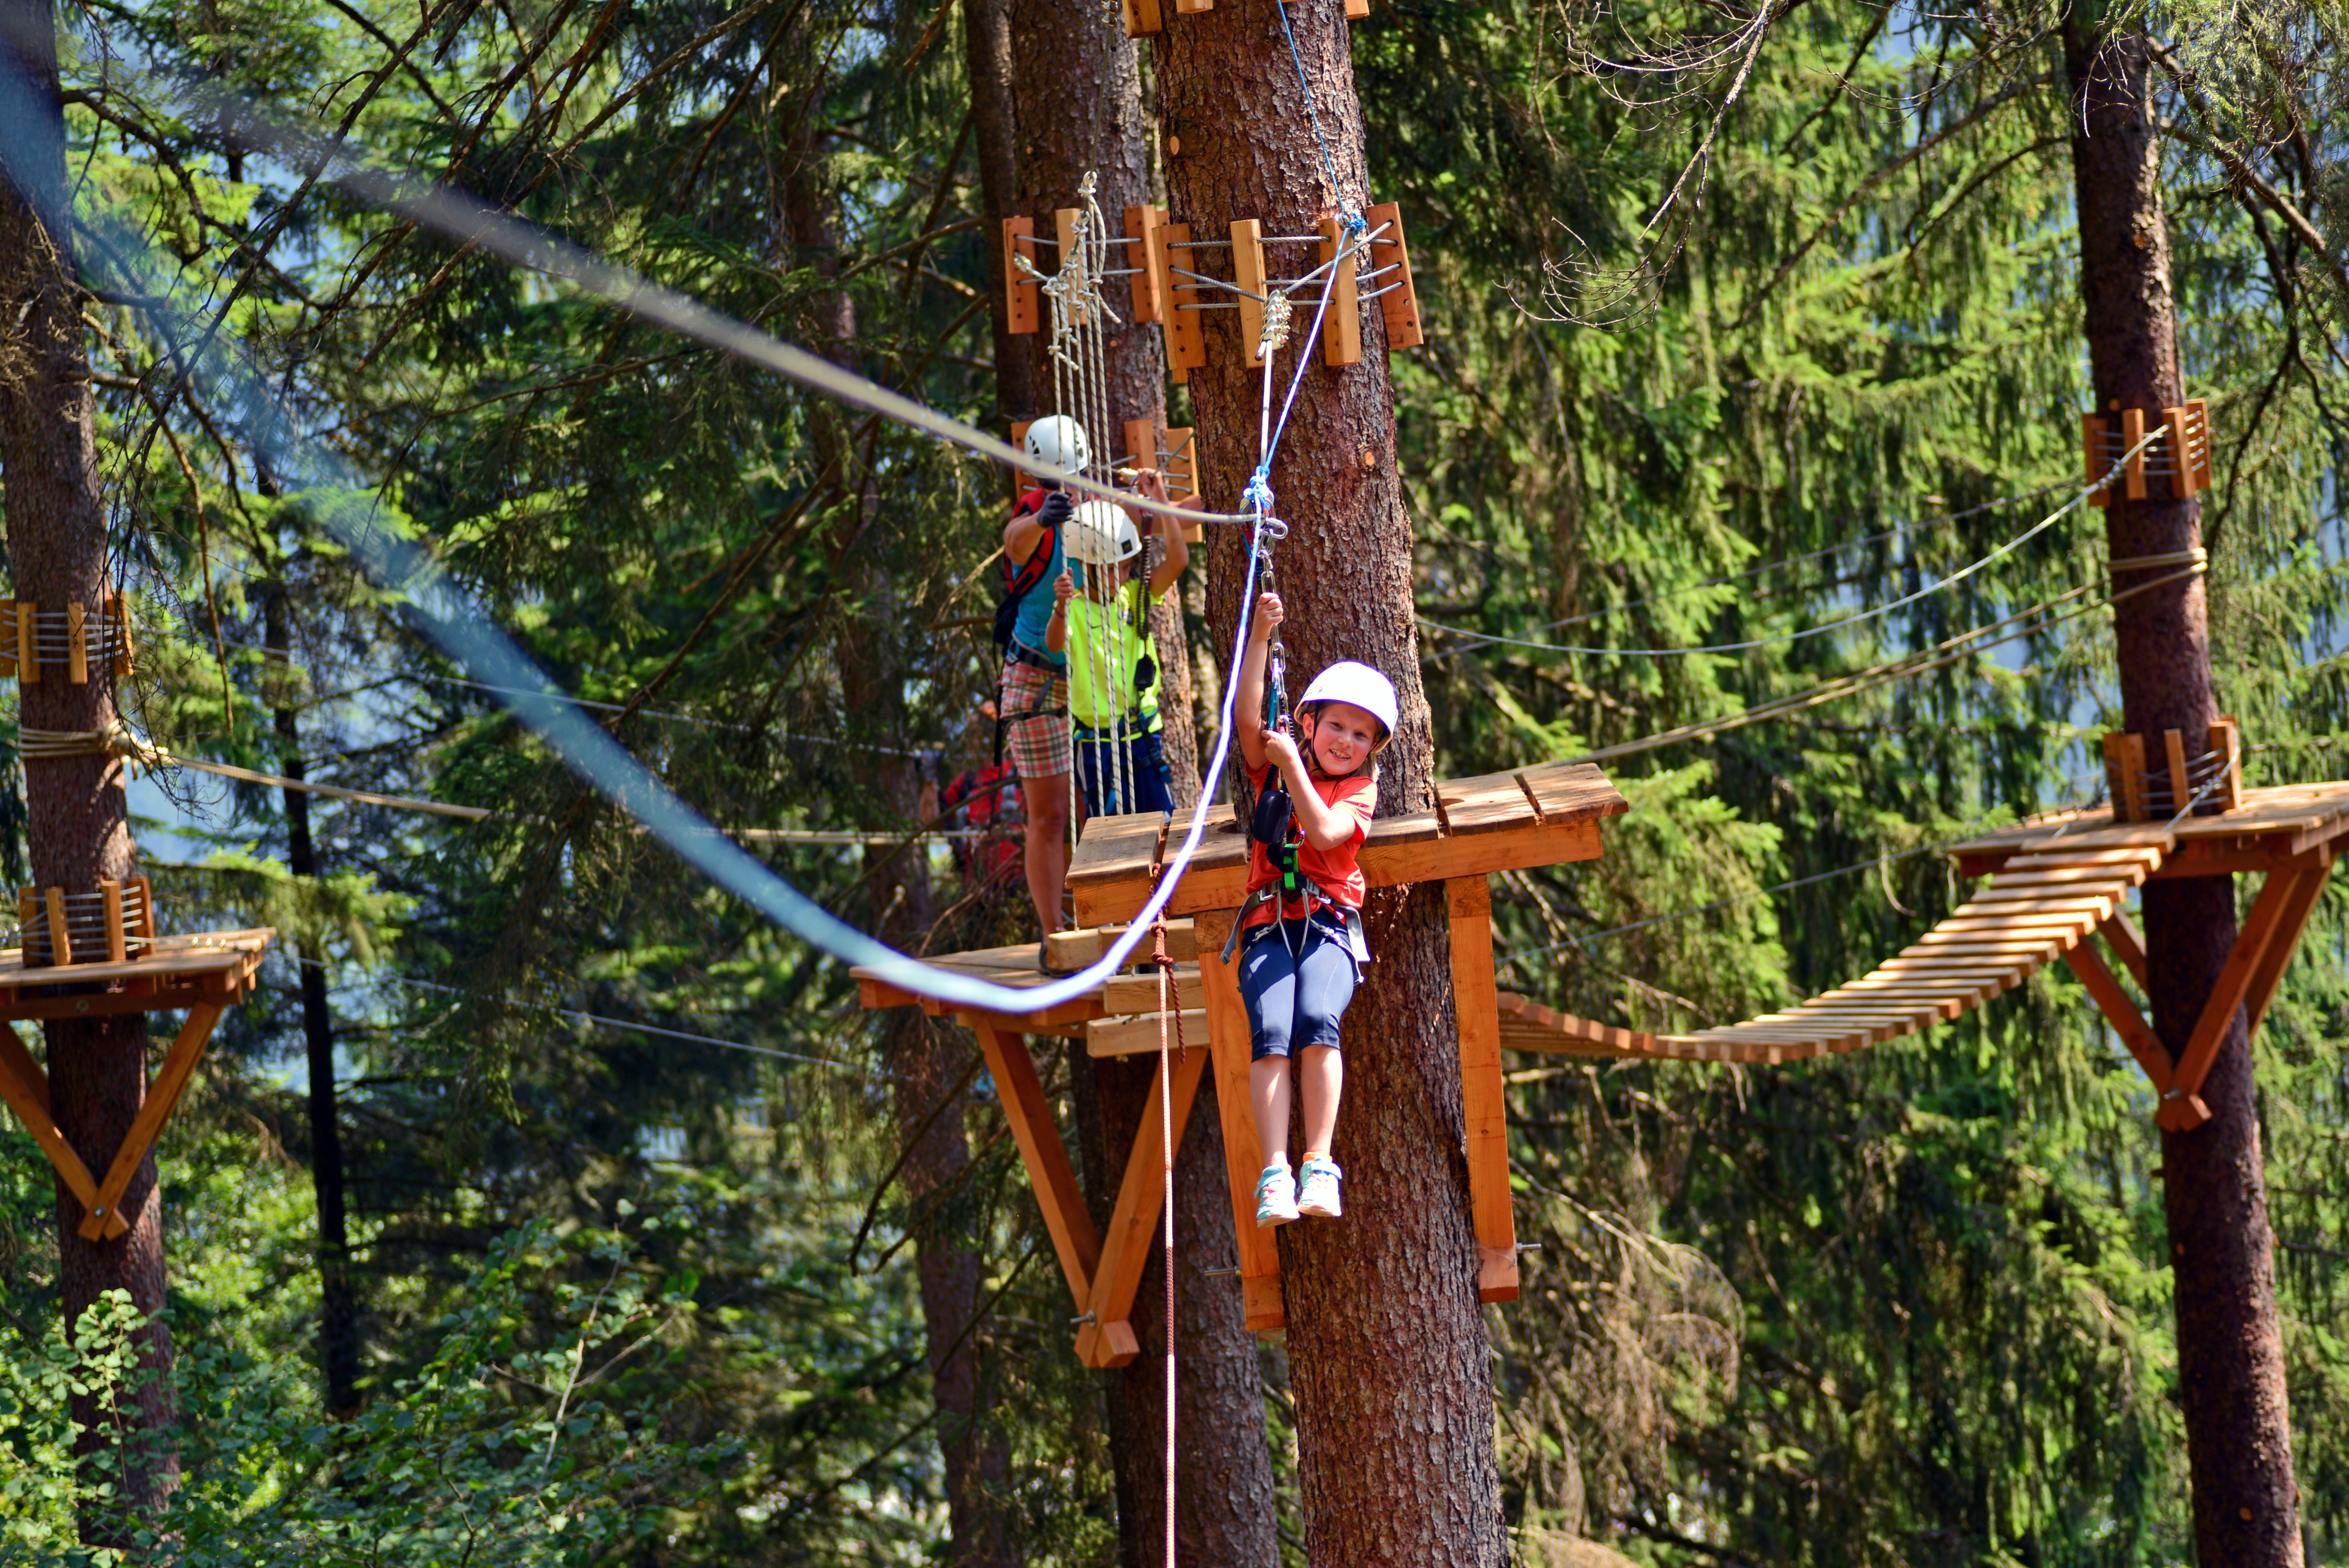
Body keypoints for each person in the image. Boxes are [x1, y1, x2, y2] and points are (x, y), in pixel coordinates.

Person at [1225, 591, 1398, 1227]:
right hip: (1270, 922)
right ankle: (1276, 1171)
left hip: (1325, 926)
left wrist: (1293, 765)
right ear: (1308, 722)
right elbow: (1249, 719)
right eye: (1336, 727)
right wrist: (1260, 639)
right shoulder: (1274, 766)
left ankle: (1317, 1163)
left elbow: (1325, 835)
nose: (1347, 742)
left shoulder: (1359, 789)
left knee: (1317, 1017)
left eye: (1361, 735)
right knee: (1271, 1033)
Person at [1046, 468, 1188, 823]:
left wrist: (1162, 502)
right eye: (1112, 569)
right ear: (1085, 566)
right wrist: (1061, 608)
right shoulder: (1075, 610)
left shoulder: (1133, 598)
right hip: (1099, 747)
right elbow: (1054, 644)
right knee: (1113, 840)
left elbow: (1178, 560)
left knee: (1165, 831)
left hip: (1143, 738)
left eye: (1126, 568)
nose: (1122, 577)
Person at [998, 416, 1084, 973]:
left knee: (1098, 808)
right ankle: (1056, 935)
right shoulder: (1033, 517)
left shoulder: (1099, 506)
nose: (1064, 488)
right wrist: (1041, 516)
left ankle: (1106, 917)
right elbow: (1013, 543)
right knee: (1050, 816)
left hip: (1096, 676)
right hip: (1038, 678)